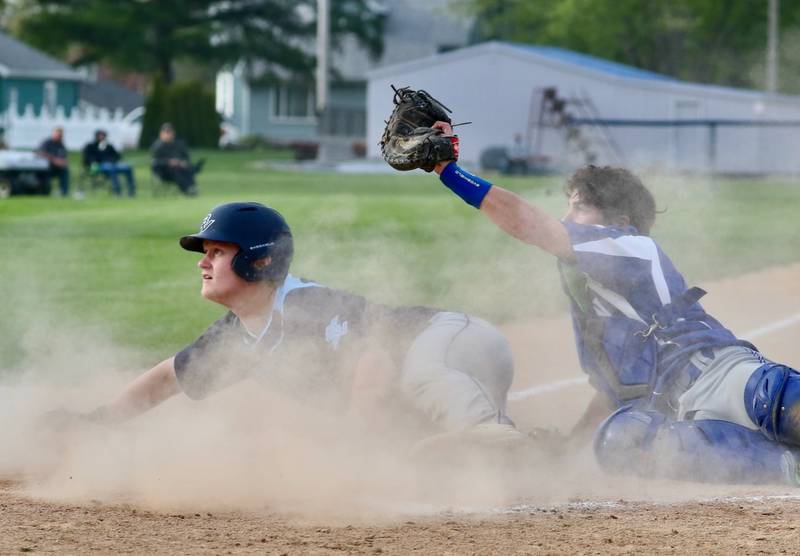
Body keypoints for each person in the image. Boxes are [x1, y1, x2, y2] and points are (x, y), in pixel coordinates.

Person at [420, 120, 800, 485]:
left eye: (579, 207)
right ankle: (788, 467)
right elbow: (613, 395)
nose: (567, 219)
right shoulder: (596, 315)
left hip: (725, 378)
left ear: (620, 220)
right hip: (691, 424)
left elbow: (532, 226)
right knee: (620, 442)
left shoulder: (632, 246)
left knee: (781, 403)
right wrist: (568, 450)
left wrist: (448, 170)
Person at [50, 202, 523, 451]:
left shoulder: (303, 304)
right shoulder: (238, 335)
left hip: (454, 338)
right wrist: (99, 422)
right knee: (414, 445)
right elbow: (167, 378)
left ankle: (494, 437)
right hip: (444, 379)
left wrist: (354, 446)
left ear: (261, 260)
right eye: (205, 253)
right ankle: (519, 448)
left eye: (217, 251)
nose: (204, 263)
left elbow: (373, 362)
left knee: (420, 375)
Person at [150, 123, 203, 195]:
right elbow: (155, 162)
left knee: (185, 168)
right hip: (164, 172)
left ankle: (192, 187)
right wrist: (169, 162)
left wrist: (182, 162)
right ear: (161, 134)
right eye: (166, 132)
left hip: (181, 167)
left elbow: (186, 157)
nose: (168, 135)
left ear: (173, 133)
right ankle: (187, 189)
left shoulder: (179, 144)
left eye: (170, 132)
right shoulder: (158, 146)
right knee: (175, 170)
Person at [82, 130, 136, 197]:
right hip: (99, 166)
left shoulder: (109, 146)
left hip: (113, 164)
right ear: (96, 136)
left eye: (103, 135)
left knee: (128, 168)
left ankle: (132, 191)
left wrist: (112, 160)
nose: (101, 137)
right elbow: (88, 158)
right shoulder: (91, 146)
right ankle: (118, 191)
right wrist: (96, 162)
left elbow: (117, 156)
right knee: (112, 169)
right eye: (100, 135)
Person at [37, 127, 70, 197]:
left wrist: (64, 162)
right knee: (46, 174)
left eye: (61, 135)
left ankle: (64, 192)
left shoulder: (61, 145)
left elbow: (64, 156)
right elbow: (41, 153)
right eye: (58, 135)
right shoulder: (46, 143)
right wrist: (54, 160)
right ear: (53, 134)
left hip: (56, 168)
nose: (59, 137)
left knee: (65, 170)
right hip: (46, 167)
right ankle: (45, 192)